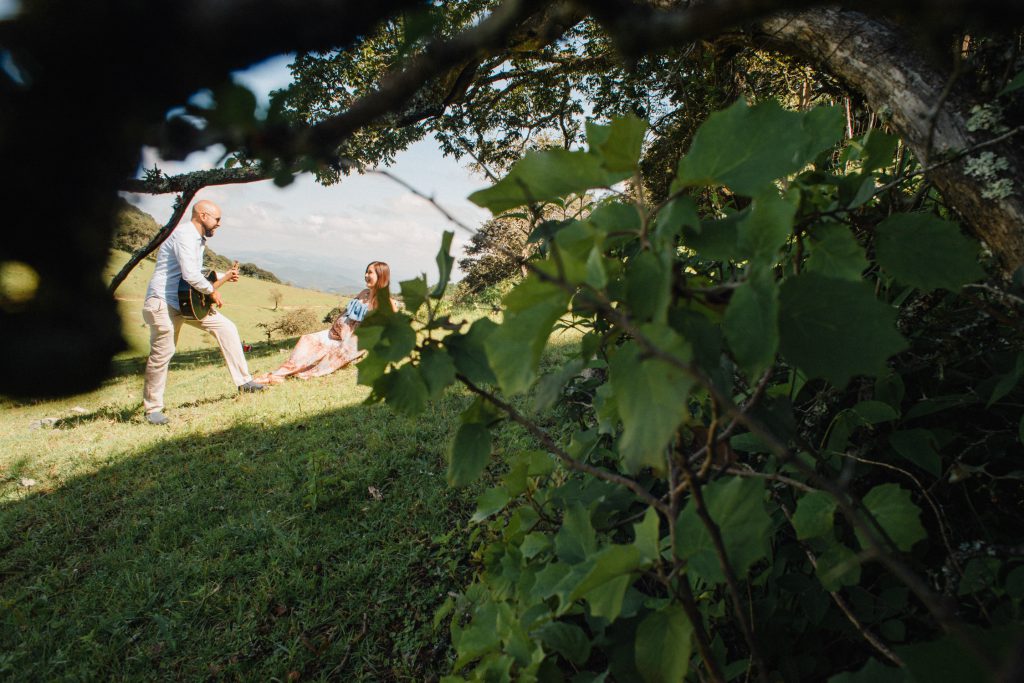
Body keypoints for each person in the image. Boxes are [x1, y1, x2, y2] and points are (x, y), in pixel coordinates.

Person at [141, 199, 267, 425]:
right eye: (217, 219)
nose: (219, 224)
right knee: (162, 354)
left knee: (226, 328)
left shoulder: (196, 240)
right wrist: (212, 293)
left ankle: (244, 382)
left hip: (185, 303)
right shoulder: (184, 235)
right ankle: (153, 410)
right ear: (202, 215)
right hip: (163, 302)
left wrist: (224, 276)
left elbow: (197, 273)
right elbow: (190, 274)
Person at [254, 261, 395, 384]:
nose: (365, 275)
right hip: (336, 334)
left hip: (354, 341)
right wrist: (335, 325)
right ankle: (282, 371)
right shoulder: (364, 292)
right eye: (366, 272)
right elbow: (347, 311)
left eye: (369, 273)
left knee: (335, 353)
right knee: (308, 339)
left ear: (380, 276)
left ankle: (304, 373)